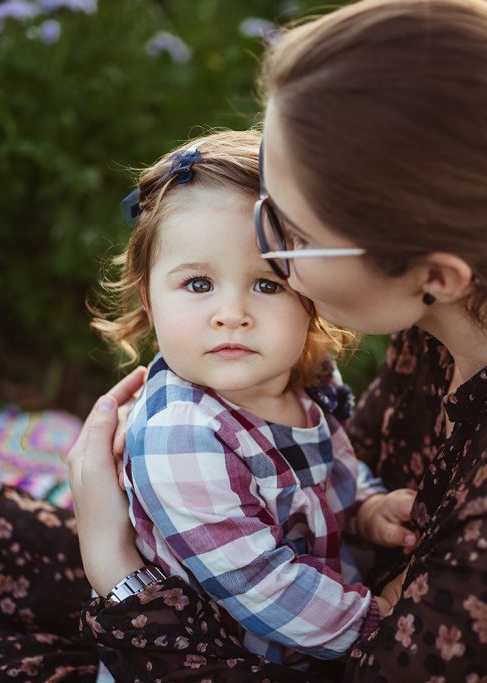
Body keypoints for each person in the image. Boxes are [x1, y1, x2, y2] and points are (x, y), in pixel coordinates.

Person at [67, 0, 487, 681]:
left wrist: (118, 571)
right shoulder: (455, 317)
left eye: (291, 235)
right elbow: (340, 472)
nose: (265, 256)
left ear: (435, 273)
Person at [89, 130, 419, 668]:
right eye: (198, 285)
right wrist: (372, 619)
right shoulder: (183, 432)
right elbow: (259, 582)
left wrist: (367, 509)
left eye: (267, 285)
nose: (231, 313)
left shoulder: (302, 377)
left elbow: (330, 468)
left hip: (314, 624)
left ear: (311, 293)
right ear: (149, 296)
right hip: (225, 660)